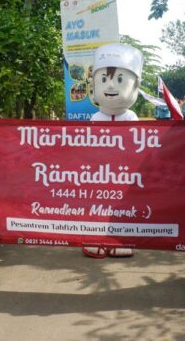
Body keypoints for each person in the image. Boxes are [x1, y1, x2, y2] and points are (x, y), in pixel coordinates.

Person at [83, 43, 143, 258]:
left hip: (123, 174)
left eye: (119, 80)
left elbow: (137, 147)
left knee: (123, 208)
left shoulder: (130, 117)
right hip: (99, 174)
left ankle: (122, 240)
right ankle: (95, 240)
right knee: (97, 207)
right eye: (104, 79)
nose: (110, 86)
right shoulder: (95, 118)